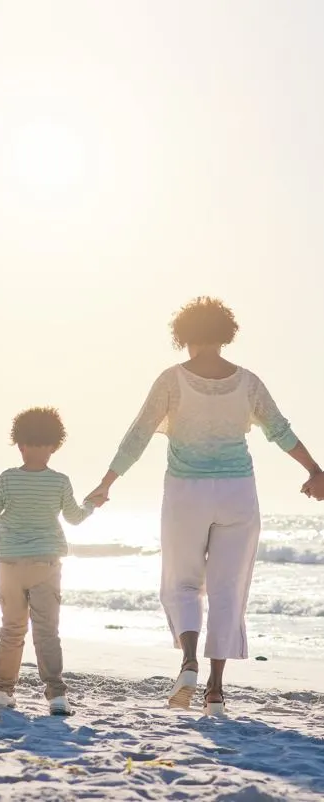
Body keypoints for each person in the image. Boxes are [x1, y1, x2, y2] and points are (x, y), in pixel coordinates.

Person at [85, 297, 321, 715]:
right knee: (229, 590)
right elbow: (281, 431)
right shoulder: (247, 382)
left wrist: (107, 483)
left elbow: (137, 435)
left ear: (185, 334)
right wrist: (315, 471)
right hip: (238, 494)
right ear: (224, 333)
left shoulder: (172, 380)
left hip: (185, 492)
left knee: (182, 583)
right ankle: (215, 690)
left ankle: (188, 662)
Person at [0, 407, 95, 716]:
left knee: (12, 629)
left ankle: (2, 691)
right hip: (46, 564)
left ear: (20, 444)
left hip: (10, 565)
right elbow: (75, 518)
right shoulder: (59, 482)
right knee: (46, 632)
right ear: (54, 446)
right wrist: (93, 503)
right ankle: (55, 694)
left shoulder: (8, 479)